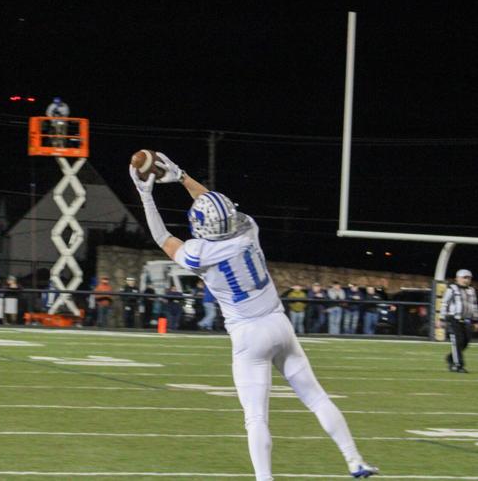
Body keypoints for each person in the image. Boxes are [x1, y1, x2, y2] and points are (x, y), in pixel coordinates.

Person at [129, 152, 378, 479]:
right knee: (316, 397)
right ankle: (354, 460)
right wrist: (183, 177)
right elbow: (217, 205)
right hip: (279, 324)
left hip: (248, 335)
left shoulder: (199, 253)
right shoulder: (248, 229)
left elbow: (163, 239)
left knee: (256, 417)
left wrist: (146, 195)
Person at [438, 269, 477, 373]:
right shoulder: (452, 288)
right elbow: (444, 303)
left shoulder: (471, 290)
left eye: (469, 278)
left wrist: (475, 320)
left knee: (466, 342)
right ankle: (458, 365)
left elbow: (474, 305)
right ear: (457, 278)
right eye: (464, 277)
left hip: (467, 320)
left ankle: (451, 357)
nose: (467, 280)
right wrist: (441, 318)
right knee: (458, 341)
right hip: (454, 319)